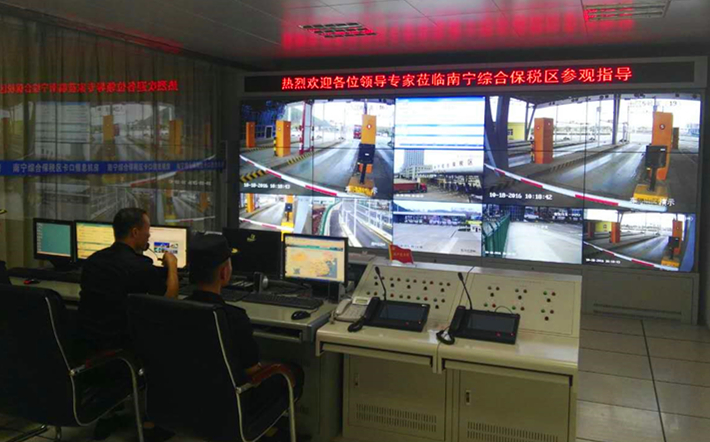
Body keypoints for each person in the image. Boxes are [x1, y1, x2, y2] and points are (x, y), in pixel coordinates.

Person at [186, 234, 304, 418]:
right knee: (294, 371)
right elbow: (253, 372)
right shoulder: (234, 318)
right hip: (232, 407)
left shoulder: (175, 309)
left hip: (187, 402)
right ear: (224, 273)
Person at [79, 208, 179, 353]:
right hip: (120, 347)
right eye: (147, 230)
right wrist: (172, 265)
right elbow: (170, 300)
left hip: (88, 345)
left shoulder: (92, 260)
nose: (149, 235)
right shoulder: (141, 267)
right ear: (135, 232)